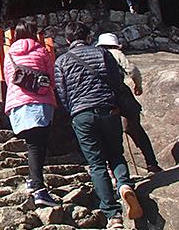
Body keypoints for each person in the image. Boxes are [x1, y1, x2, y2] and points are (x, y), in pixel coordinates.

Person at [55, 22, 143, 228]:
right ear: (88, 37)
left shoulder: (62, 61)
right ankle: (124, 186)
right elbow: (115, 80)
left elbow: (62, 92)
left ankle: (113, 216)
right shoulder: (101, 54)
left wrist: (74, 112)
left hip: (81, 114)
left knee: (96, 164)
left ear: (68, 40)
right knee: (116, 154)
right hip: (107, 108)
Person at [3, 21, 59, 207]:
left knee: (32, 144)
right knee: (37, 146)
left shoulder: (9, 53)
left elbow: (7, 78)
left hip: (17, 104)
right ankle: (39, 189)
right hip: (40, 102)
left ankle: (32, 181)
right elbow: (51, 77)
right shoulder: (41, 51)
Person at [96, 33, 162, 173]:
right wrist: (138, 86)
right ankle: (151, 163)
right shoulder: (116, 53)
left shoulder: (95, 55)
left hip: (102, 97)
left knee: (110, 134)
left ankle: (113, 171)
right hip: (121, 94)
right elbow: (132, 70)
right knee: (137, 129)